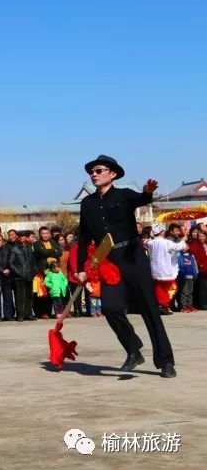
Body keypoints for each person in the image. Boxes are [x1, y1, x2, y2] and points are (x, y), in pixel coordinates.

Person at [76, 155, 176, 378]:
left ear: (112, 173)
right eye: (91, 171)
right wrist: (81, 267)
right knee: (110, 307)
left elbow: (142, 199)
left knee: (150, 310)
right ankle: (133, 349)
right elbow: (83, 237)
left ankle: (165, 361)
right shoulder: (87, 203)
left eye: (99, 170)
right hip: (109, 261)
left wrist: (148, 192)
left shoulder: (124, 195)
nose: (94, 174)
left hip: (133, 257)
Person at [147, 222, 188, 315]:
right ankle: (163, 305)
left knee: (159, 288)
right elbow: (180, 246)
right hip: (166, 270)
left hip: (156, 270)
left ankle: (162, 306)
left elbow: (144, 242)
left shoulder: (151, 242)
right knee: (172, 287)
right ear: (161, 232)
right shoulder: (167, 242)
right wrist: (183, 239)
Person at [9, 231, 34, 321]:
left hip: (29, 275)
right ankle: (20, 314)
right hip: (19, 276)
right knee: (20, 296)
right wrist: (19, 272)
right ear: (18, 238)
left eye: (24, 237)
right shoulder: (15, 249)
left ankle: (29, 313)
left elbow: (33, 261)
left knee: (29, 295)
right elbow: (11, 263)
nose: (22, 238)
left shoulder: (30, 247)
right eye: (20, 237)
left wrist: (34, 271)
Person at [189, 229, 207, 310]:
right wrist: (201, 265)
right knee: (202, 287)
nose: (201, 238)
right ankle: (202, 304)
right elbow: (195, 257)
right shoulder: (195, 244)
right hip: (201, 269)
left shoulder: (205, 244)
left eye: (203, 236)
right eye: (200, 236)